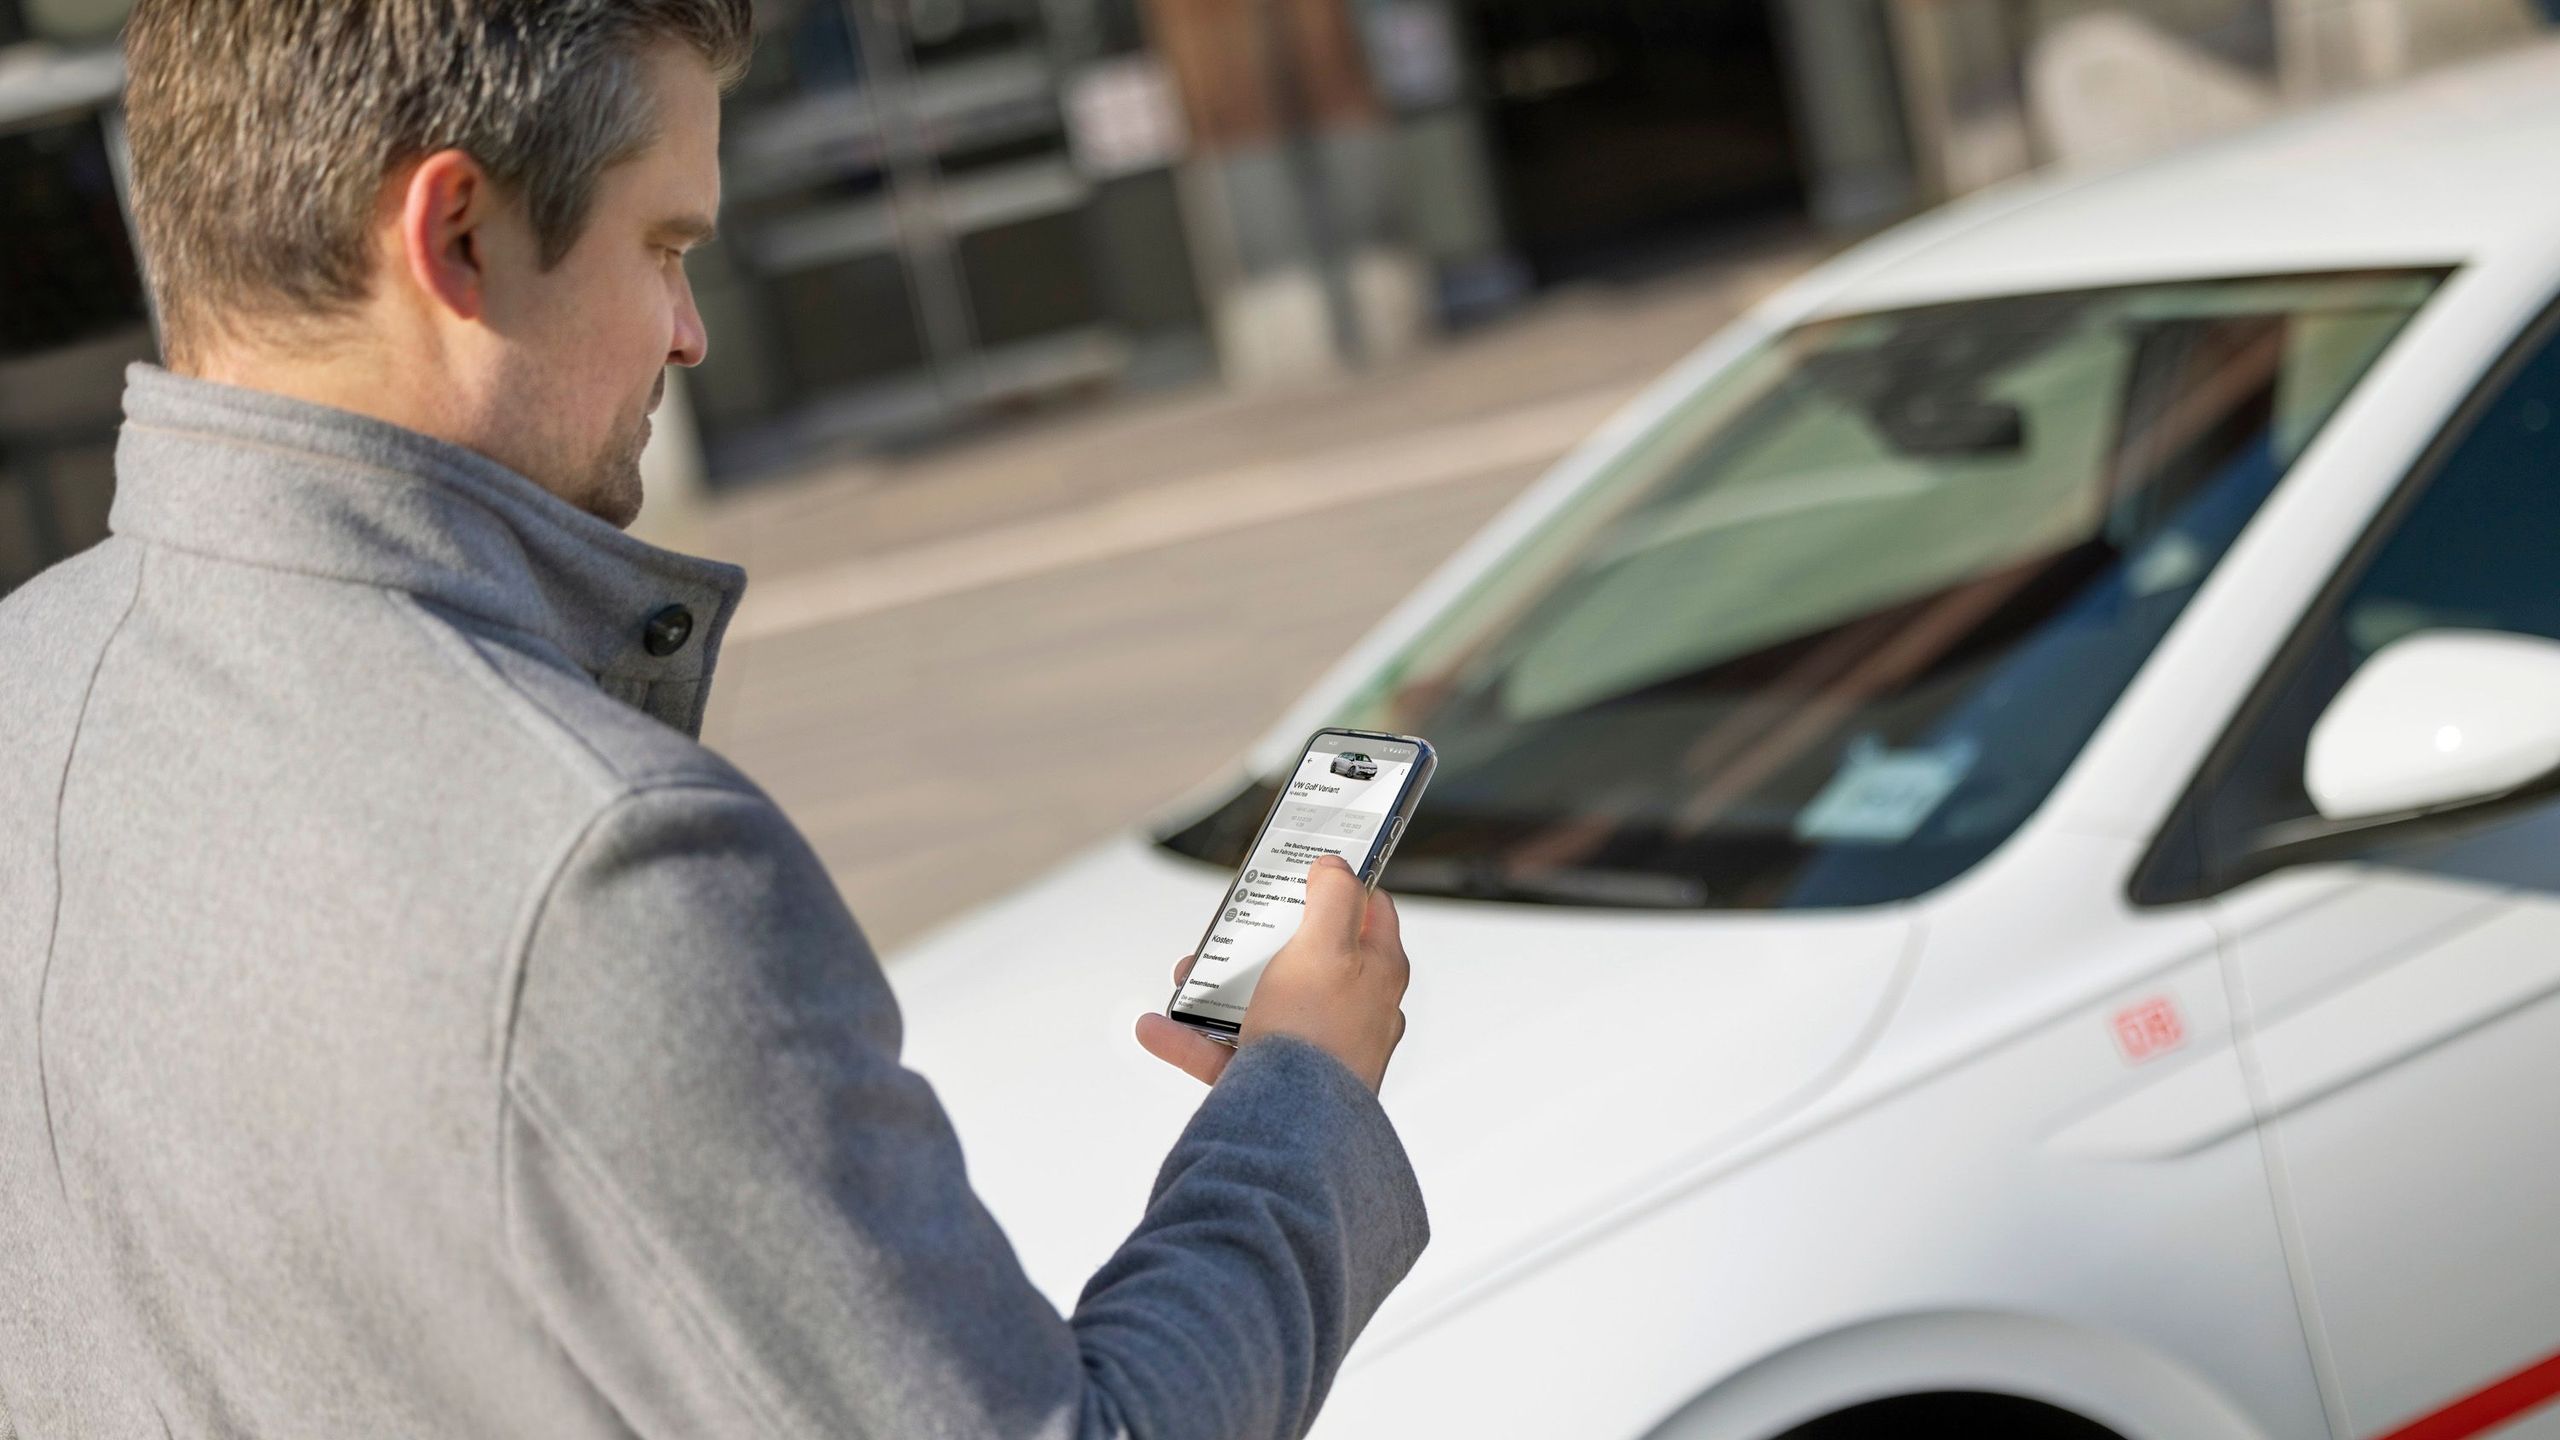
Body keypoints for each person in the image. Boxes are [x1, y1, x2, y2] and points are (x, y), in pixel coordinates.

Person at [0, 2, 1426, 1434]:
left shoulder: (27, 672)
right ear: (457, 238)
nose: (687, 333)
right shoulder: (599, 866)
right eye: (664, 249)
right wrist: (1298, 1096)